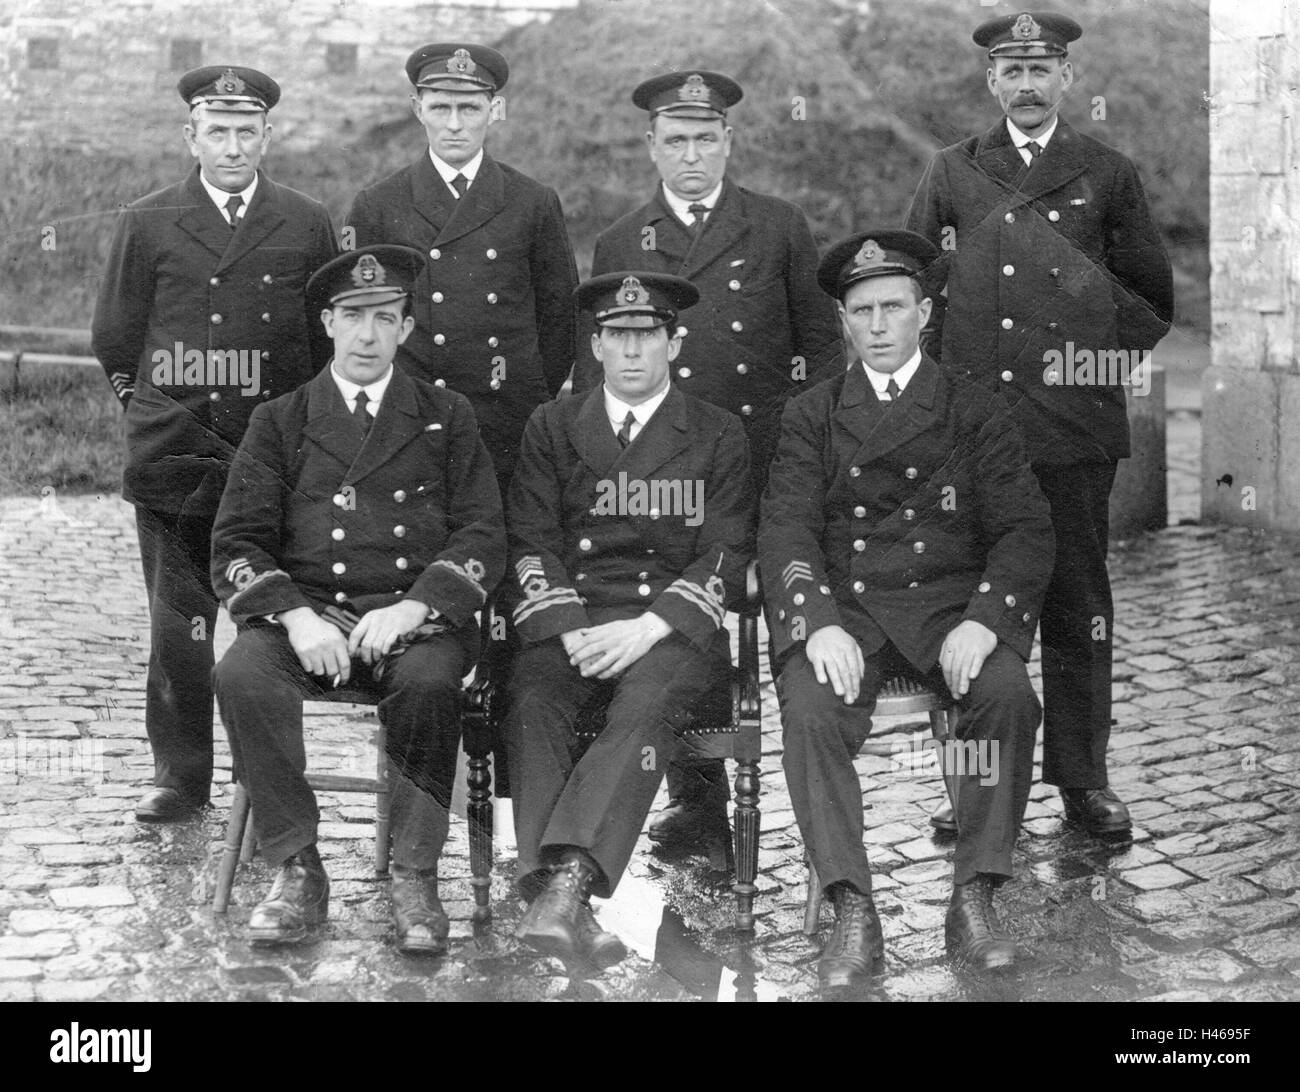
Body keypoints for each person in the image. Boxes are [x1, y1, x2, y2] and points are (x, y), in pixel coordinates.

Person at [761, 230, 1056, 986]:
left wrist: (987, 620)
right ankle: (852, 906)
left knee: (1007, 697)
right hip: (849, 620)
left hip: (946, 616)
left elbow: (1025, 529)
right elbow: (787, 527)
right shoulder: (812, 413)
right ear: (844, 322)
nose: (879, 324)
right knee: (809, 709)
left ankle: (975, 894)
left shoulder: (974, 410)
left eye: (895, 306)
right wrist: (814, 619)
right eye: (863, 311)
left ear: (924, 312)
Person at [904, 11, 1174, 836]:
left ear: (1066, 81)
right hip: (972, 437)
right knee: (966, 603)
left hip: (1071, 435)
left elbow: (1150, 304)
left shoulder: (1107, 172)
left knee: (1076, 601)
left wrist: (1079, 373)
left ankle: (1083, 781)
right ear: (990, 81)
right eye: (1011, 70)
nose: (1026, 85)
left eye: (1041, 70)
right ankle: (975, 781)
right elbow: (912, 295)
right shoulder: (952, 172)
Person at [573, 69, 842, 851]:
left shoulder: (778, 225)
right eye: (675, 141)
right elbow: (602, 378)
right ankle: (699, 800)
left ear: (729, 142)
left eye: (705, 139)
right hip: (659, 476)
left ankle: (797, 768)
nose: (691, 155)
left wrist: (798, 457)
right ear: (650, 147)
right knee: (683, 618)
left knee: (764, 613)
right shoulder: (624, 241)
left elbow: (820, 353)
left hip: (756, 467)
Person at [209, 246, 505, 953]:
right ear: (328, 324)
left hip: (413, 620)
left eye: (384, 318)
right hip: (310, 617)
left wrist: (416, 606)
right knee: (241, 675)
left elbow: (483, 532)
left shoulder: (446, 414)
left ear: (406, 329)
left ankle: (414, 878)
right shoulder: (279, 420)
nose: (367, 335)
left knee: (432, 681)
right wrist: (298, 616)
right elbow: (236, 545)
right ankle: (297, 868)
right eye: (352, 317)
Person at [91, 66, 337, 823]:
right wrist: (154, 411)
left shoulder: (306, 221)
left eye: (245, 131)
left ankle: (267, 780)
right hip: (177, 458)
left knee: (268, 623)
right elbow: (117, 335)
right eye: (217, 131)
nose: (232, 146)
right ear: (190, 135)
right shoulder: (149, 218)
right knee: (181, 627)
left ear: (268, 136)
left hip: (271, 461)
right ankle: (180, 775)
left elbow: (319, 339)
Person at [502, 271, 755, 968]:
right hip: (577, 619)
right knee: (533, 693)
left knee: (644, 706)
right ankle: (565, 903)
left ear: (674, 342)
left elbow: (726, 553)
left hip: (669, 630)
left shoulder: (716, 432)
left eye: (648, 336)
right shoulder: (553, 427)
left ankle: (566, 883)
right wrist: (569, 626)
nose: (633, 351)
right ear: (597, 345)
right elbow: (530, 538)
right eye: (619, 336)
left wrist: (648, 627)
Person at [344, 42, 578, 497]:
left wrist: (523, 395)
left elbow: (560, 317)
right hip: (410, 417)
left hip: (505, 420)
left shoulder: (532, 201)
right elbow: (357, 320)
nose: (455, 124)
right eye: (441, 107)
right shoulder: (377, 205)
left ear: (495, 110)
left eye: (470, 108)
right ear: (418, 109)